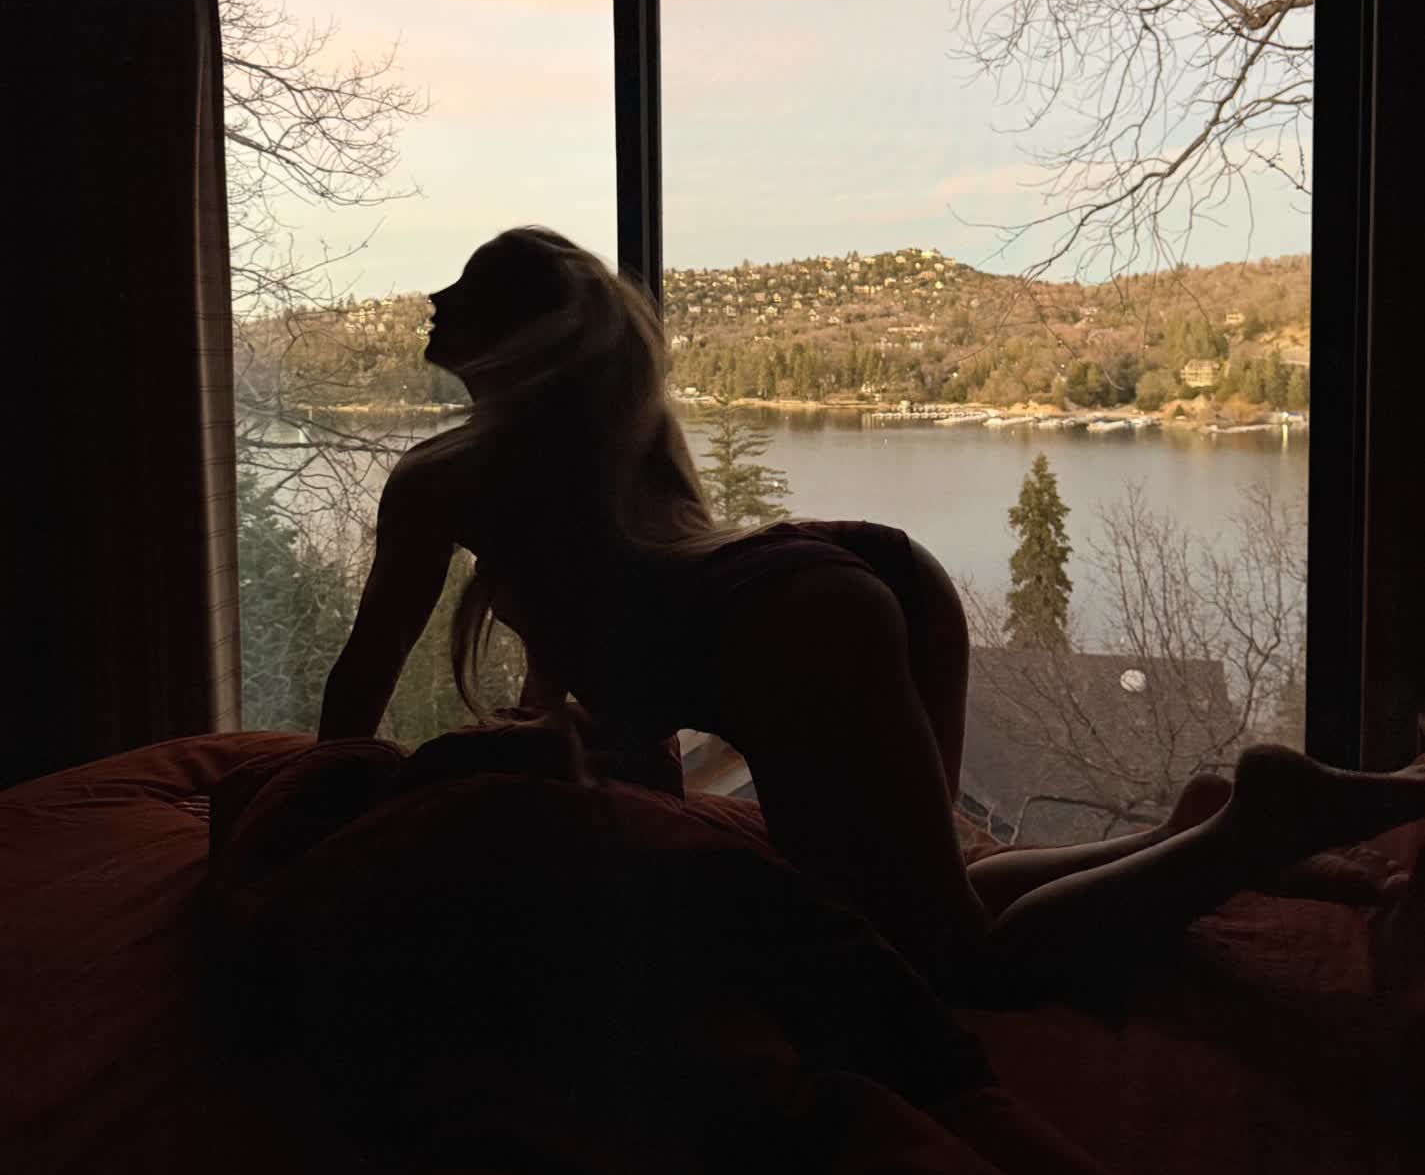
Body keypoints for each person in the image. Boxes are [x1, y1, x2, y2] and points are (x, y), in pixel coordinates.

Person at [318, 225, 1424, 1001]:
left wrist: (316, 812)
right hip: (854, 575)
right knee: (937, 895)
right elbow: (626, 663)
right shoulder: (613, 453)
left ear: (514, 332)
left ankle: (1248, 829)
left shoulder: (444, 476)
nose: (434, 297)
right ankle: (1186, 823)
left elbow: (364, 677)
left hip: (790, 624)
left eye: (469, 281)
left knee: (947, 968)